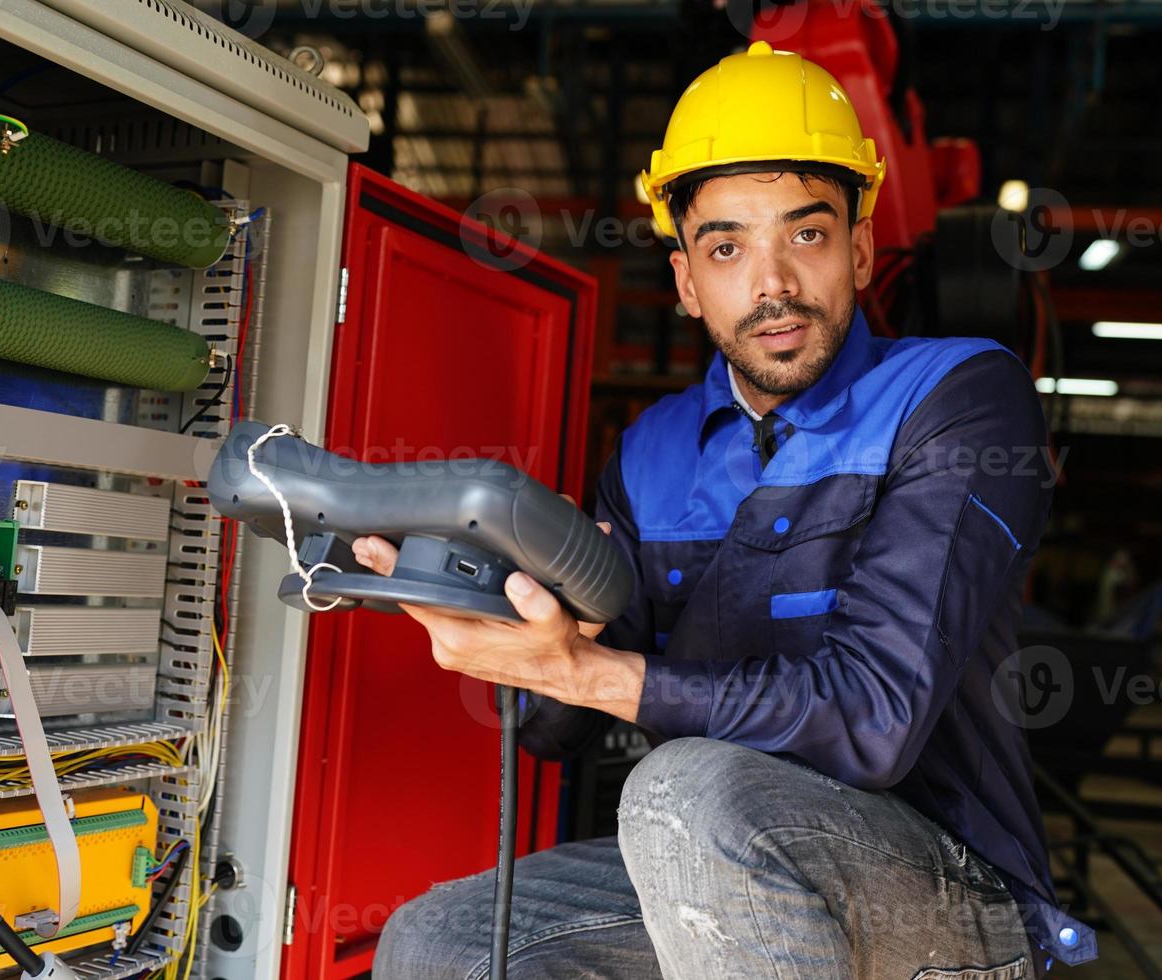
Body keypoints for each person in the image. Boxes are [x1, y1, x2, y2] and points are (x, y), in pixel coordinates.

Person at [365, 40, 1096, 979]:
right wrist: (524, 633)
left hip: (948, 892)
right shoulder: (650, 454)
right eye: (726, 247)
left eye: (808, 233)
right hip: (716, 873)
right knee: (438, 942)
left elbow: (874, 720)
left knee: (682, 787)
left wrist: (596, 674)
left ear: (862, 249)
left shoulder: (958, 398)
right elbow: (558, 729)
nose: (773, 284)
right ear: (684, 281)